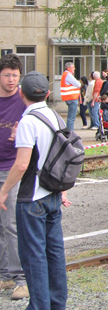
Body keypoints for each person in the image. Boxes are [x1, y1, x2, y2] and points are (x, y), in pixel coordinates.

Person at [0, 71, 71, 310]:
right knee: (54, 253)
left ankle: (39, 306)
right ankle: (57, 303)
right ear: (48, 94)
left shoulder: (28, 122)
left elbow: (21, 164)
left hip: (31, 199)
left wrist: (4, 190)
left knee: (34, 257)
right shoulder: (56, 117)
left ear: (21, 94)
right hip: (52, 194)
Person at [0, 55, 27, 301]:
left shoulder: (23, 100)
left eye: (15, 76)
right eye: (7, 75)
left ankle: (21, 279)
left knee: (10, 225)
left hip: (12, 169)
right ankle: (4, 275)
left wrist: (21, 134)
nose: (11, 80)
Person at [59, 62, 80, 132]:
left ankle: (69, 131)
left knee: (70, 117)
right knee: (71, 117)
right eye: (73, 67)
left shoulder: (65, 75)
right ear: (68, 68)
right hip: (72, 98)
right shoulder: (68, 75)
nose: (74, 69)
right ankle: (70, 132)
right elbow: (78, 84)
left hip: (68, 98)